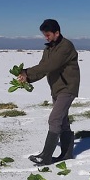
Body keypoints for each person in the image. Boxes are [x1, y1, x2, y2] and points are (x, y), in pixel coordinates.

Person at [18, 19, 80, 165]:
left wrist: (26, 72)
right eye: (44, 35)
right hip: (57, 89)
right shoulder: (49, 49)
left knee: (54, 119)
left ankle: (45, 156)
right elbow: (42, 67)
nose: (46, 37)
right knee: (63, 122)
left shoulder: (66, 47)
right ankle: (67, 154)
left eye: (48, 35)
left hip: (67, 88)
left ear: (57, 33)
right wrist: (27, 78)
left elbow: (50, 66)